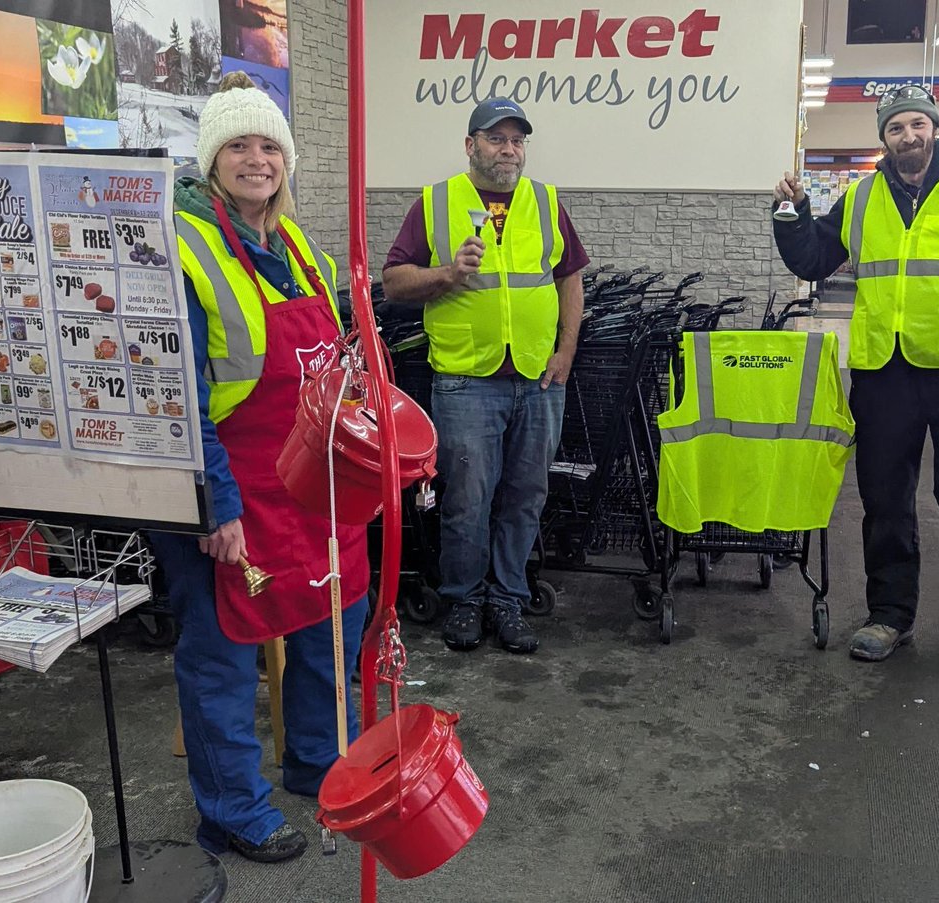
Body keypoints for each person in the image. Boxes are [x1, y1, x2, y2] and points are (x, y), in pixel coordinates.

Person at [150, 71, 369, 862]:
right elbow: (175, 393)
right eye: (237, 145)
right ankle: (232, 808)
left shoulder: (298, 244)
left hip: (314, 486)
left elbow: (334, 361)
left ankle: (315, 757)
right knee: (223, 651)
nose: (256, 158)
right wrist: (216, 506)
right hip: (230, 486)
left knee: (330, 615)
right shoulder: (178, 244)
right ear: (212, 160)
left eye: (268, 144)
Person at [772, 85, 939, 680]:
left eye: (918, 124)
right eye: (896, 128)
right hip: (884, 371)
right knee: (884, 497)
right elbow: (814, 261)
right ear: (883, 137)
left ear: (934, 129)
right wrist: (790, 214)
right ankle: (889, 613)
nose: (908, 136)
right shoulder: (861, 198)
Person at [383, 97, 588, 654]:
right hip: (467, 378)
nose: (509, 149)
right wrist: (448, 273)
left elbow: (571, 278)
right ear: (470, 145)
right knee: (468, 498)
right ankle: (465, 598)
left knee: (526, 493)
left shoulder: (545, 202)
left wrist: (565, 351)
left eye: (517, 140)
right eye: (496, 138)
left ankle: (508, 598)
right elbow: (394, 283)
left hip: (538, 377)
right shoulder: (436, 202)